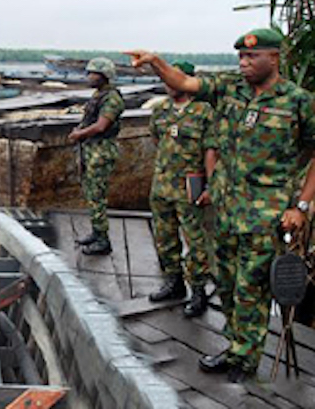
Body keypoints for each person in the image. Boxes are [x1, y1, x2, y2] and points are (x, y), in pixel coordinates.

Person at [127, 28, 315, 383]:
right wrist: (155, 62)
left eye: (252, 56)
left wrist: (302, 207)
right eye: (241, 56)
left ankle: (245, 359)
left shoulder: (297, 101)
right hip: (227, 210)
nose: (244, 63)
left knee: (251, 287)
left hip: (266, 214)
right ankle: (235, 345)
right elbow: (183, 82)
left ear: (274, 57)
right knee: (226, 283)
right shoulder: (230, 89)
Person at [148, 61, 217, 318]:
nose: (169, 83)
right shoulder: (160, 110)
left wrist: (210, 184)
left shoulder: (204, 112)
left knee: (195, 240)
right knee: (164, 236)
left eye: (174, 78)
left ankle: (198, 290)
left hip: (191, 185)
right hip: (162, 184)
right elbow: (157, 139)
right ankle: (173, 282)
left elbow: (211, 150)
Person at [68, 58, 125, 255]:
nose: (89, 77)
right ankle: (97, 232)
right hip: (91, 150)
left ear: (104, 76)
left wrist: (79, 134)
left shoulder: (112, 99)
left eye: (94, 73)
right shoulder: (99, 95)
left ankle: (103, 241)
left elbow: (101, 126)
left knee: (97, 196)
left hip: (101, 151)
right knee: (91, 194)